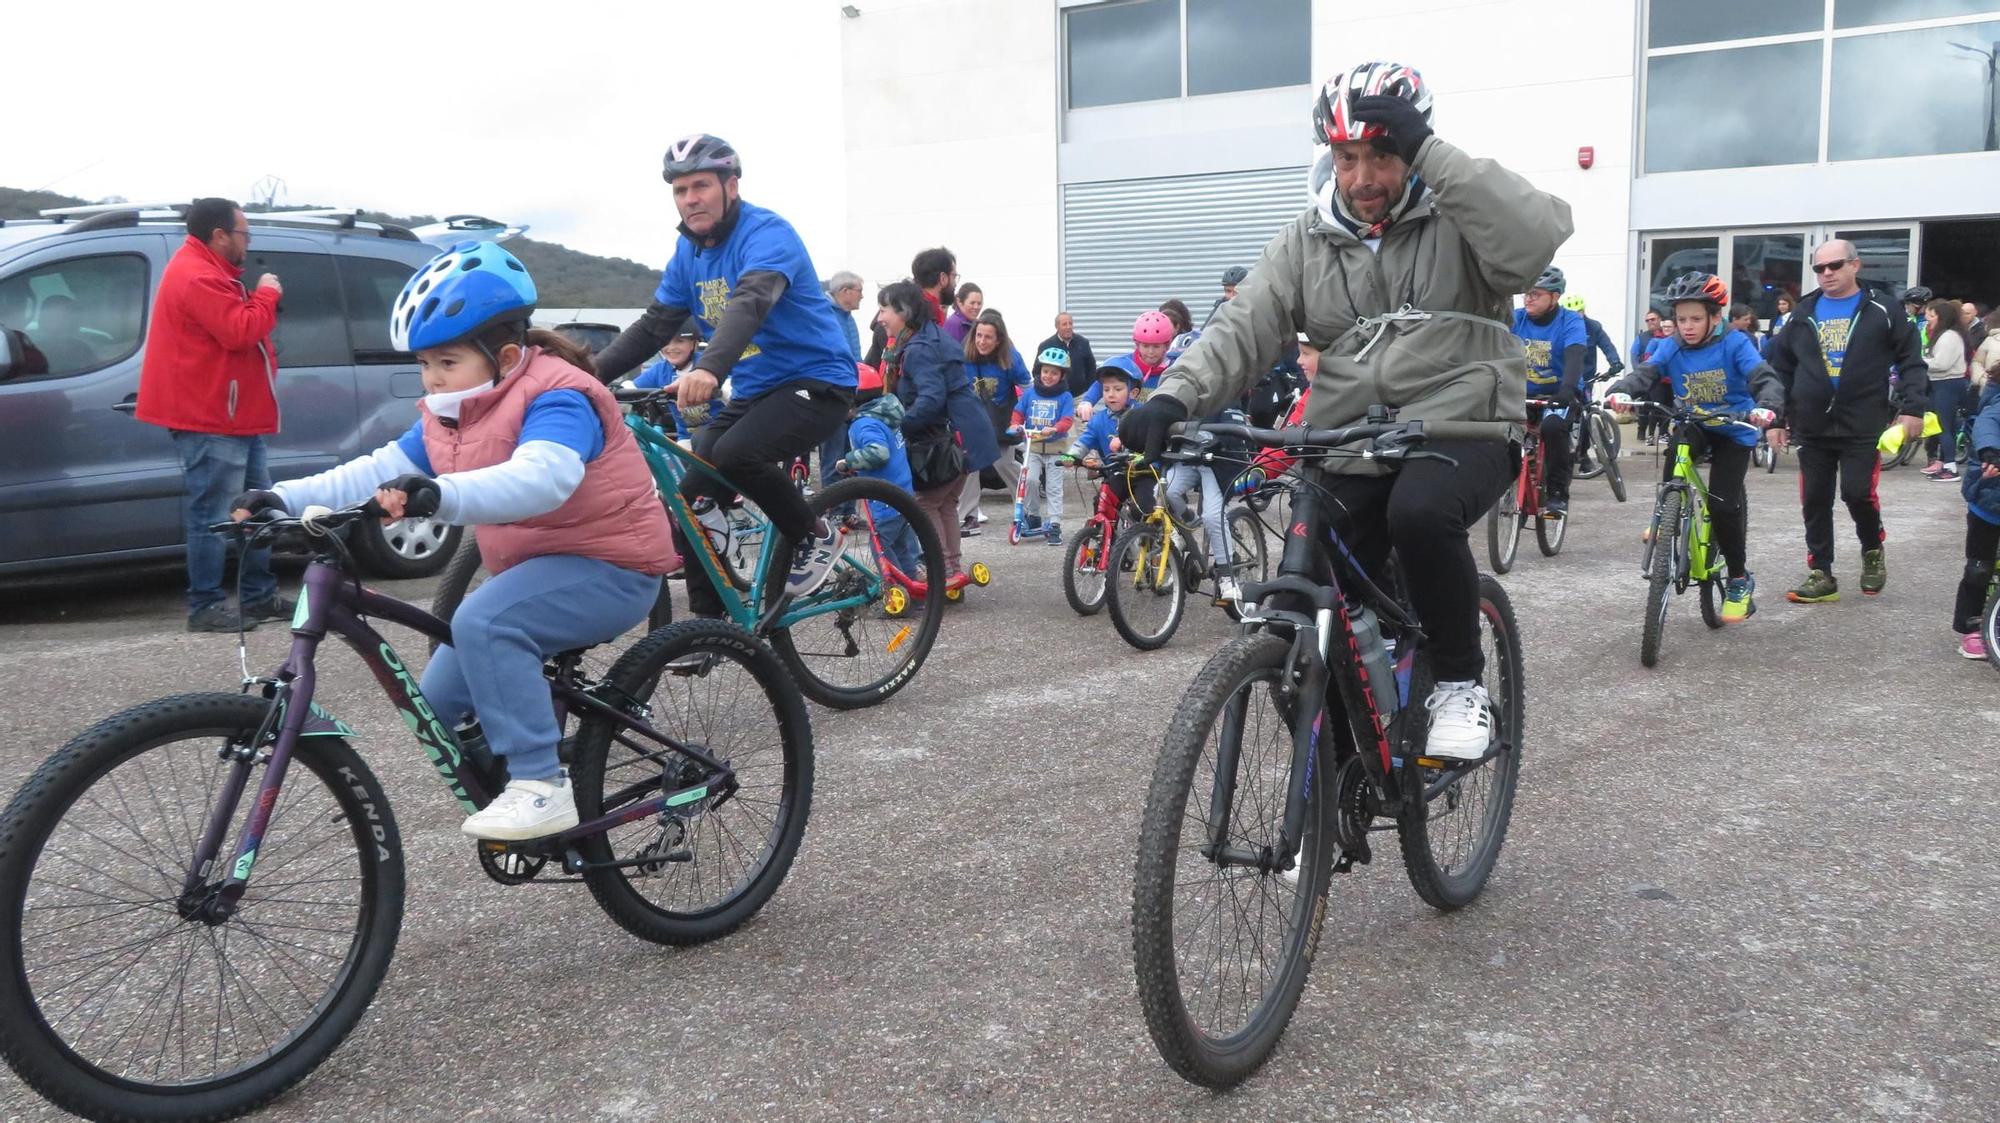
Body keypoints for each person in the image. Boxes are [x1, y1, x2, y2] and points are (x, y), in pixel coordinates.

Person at [1119, 59, 1572, 760]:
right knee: (1298, 593)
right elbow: (1245, 327)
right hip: (1352, 433)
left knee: (1418, 512)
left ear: (1414, 149)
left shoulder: (1462, 214)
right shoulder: (1308, 238)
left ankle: (1458, 682)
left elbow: (1532, 239)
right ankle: (1341, 766)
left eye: (1384, 155)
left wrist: (1430, 153)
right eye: (1347, 157)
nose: (1363, 177)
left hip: (1465, 422)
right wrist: (1173, 393)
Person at [234, 242, 676, 840]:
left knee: (485, 622)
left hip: (613, 567)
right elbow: (378, 466)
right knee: (435, 704)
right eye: (424, 365)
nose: (432, 379)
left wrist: (438, 497)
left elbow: (545, 478)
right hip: (535, 569)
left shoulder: (558, 395)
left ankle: (541, 786)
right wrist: (282, 496)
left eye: (446, 361)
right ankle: (520, 786)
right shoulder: (454, 411)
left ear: (508, 355)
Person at [591, 133, 857, 614]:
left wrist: (710, 368)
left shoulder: (767, 234)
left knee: (735, 454)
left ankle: (816, 536)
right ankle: (711, 623)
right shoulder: (687, 252)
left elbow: (751, 300)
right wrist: (583, 375)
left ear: (730, 185)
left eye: (700, 186)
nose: (690, 199)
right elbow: (656, 326)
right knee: (690, 494)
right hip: (757, 391)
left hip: (817, 382)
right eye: (680, 190)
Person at [134, 197, 287, 633]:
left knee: (256, 508)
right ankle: (205, 605)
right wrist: (268, 294)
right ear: (219, 235)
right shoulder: (198, 275)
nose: (248, 241)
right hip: (212, 416)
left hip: (235, 415)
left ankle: (258, 597)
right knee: (215, 514)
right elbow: (240, 330)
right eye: (244, 233)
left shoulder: (207, 271)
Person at [1605, 272, 1782, 622]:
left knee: (1722, 504)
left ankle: (1737, 579)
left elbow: (1762, 377)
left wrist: (1768, 405)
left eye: (1696, 319)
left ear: (1716, 317)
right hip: (1696, 423)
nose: (1687, 326)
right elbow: (1648, 371)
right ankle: (1667, 514)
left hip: (1734, 428)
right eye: (1681, 319)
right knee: (1678, 443)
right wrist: (1622, 390)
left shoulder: (1735, 343)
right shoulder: (1672, 344)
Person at [1766, 239, 1929, 603]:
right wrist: (1775, 418)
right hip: (1812, 424)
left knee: (1857, 494)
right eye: (1819, 269)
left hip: (1862, 422)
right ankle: (1821, 572)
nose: (1826, 274)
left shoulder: (1882, 309)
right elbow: (1781, 369)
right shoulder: (1802, 312)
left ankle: (1872, 550)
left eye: (1834, 266)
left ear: (1856, 266)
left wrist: (1913, 408)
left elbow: (1911, 361)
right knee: (1815, 500)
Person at [878, 280, 997, 583]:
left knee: (927, 502)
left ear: (903, 312)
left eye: (883, 310)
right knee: (945, 502)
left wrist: (896, 427)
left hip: (952, 437)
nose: (880, 318)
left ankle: (942, 570)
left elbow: (930, 399)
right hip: (968, 431)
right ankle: (951, 569)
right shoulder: (932, 336)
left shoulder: (918, 348)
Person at [1511, 266, 1589, 515]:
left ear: (1555, 297)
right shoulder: (1517, 318)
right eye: (1526, 294)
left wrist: (1567, 389)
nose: (1528, 298)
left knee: (1554, 428)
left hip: (1559, 394)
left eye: (1536, 294)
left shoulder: (1571, 320)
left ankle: (1557, 493)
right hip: (1522, 393)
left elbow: (1575, 355)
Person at [836, 363, 923, 576]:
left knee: (881, 549)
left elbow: (879, 454)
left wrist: (849, 461)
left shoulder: (863, 424)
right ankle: (917, 595)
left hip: (886, 503)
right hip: (903, 496)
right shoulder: (884, 414)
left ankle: (895, 589)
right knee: (902, 549)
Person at [962, 309, 1031, 532]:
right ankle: (968, 516)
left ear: (998, 339)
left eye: (988, 337)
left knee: (1003, 463)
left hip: (1001, 418)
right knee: (970, 465)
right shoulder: (966, 354)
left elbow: (1027, 387)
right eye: (978, 335)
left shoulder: (1010, 357)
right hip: (974, 418)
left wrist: (1024, 416)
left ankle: (1026, 509)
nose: (981, 341)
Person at [1949, 385, 2000, 658]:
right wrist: (1991, 452)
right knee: (1979, 567)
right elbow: (1987, 427)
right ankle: (1971, 625)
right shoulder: (1995, 405)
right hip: (1990, 499)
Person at [1062, 364, 1151, 514]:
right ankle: (1105, 535)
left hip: (1145, 473)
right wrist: (1071, 455)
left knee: (1142, 509)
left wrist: (1126, 442)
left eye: (1117, 389)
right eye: (1106, 389)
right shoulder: (1098, 420)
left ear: (1133, 393)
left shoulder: (1143, 415)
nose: (1111, 394)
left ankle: (1152, 534)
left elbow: (1152, 439)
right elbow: (1084, 441)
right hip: (1117, 473)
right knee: (1102, 503)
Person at [1011, 347, 1077, 545]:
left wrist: (1055, 428)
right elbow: (1018, 412)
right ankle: (1032, 515)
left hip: (1056, 448)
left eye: (1054, 373)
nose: (1048, 376)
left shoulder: (1065, 397)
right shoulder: (1030, 393)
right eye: (1045, 371)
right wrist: (1015, 425)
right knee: (1029, 480)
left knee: (1054, 487)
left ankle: (1055, 523)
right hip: (1034, 447)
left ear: (1062, 375)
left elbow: (1067, 420)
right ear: (1039, 371)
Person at [1558, 292, 1625, 472]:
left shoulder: (1593, 327)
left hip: (1586, 378)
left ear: (1583, 310)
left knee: (1587, 414)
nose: (1576, 316)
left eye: (1578, 312)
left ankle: (1583, 455)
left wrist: (1615, 362)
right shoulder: (1562, 327)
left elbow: (1607, 345)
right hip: (1565, 378)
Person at [1074, 311, 1176, 422]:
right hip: (1123, 424)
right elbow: (1101, 383)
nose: (1150, 352)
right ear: (1137, 344)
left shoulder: (1173, 369)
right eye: (1145, 346)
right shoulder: (1124, 364)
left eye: (1156, 346)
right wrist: (1087, 402)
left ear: (1167, 345)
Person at [628, 322, 708, 440]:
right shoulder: (659, 370)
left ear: (693, 343)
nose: (671, 347)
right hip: (685, 437)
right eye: (666, 341)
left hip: (715, 433)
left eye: (680, 341)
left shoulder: (706, 364)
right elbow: (633, 388)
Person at [1922, 298, 1970, 482]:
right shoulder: (1946, 335)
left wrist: (1921, 362)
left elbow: (1941, 364)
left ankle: (1951, 468)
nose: (1929, 319)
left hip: (1948, 384)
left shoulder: (1949, 336)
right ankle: (1944, 464)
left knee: (1944, 426)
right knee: (1941, 425)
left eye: (1932, 315)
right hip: (1943, 384)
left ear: (1941, 317)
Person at [1040, 311, 1098, 395]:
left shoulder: (1083, 342)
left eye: (1070, 323)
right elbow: (1037, 371)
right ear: (1057, 326)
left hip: (1079, 396)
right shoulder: (1046, 345)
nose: (1068, 327)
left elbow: (1091, 367)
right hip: (1055, 396)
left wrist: (1088, 390)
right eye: (1064, 324)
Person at [826, 271, 865, 361]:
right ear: (845, 291)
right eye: (859, 291)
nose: (862, 296)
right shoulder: (824, 316)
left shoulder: (848, 317)